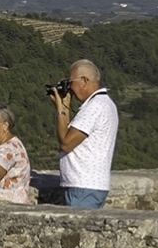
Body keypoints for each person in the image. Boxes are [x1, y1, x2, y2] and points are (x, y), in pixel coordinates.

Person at [51, 58, 119, 208]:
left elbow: (66, 143)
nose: (69, 87)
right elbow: (70, 133)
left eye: (71, 82)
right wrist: (65, 105)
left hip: (83, 187)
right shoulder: (104, 103)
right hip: (90, 185)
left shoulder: (95, 107)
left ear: (83, 80)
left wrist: (59, 109)